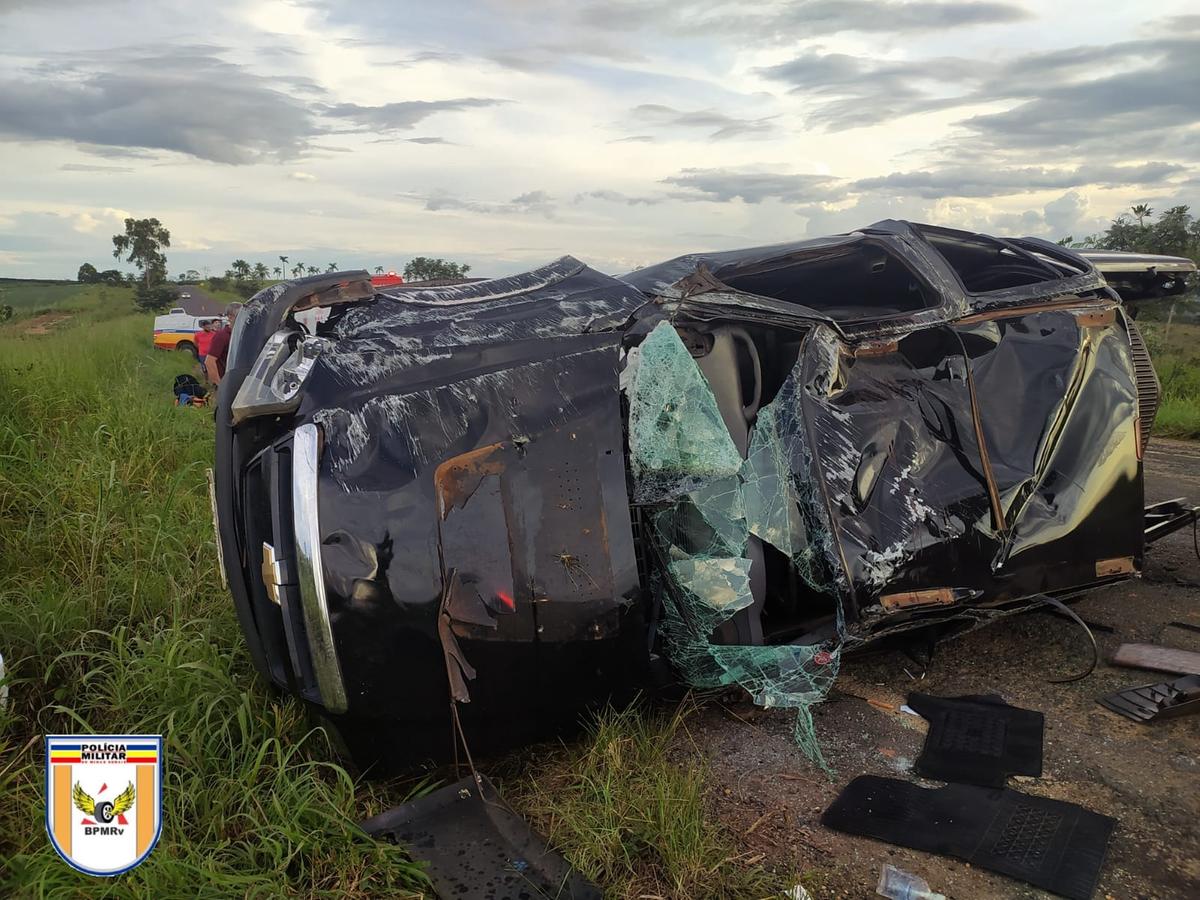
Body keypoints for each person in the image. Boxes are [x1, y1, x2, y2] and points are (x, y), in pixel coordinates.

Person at [205, 302, 242, 388]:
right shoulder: (222, 336)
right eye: (240, 316)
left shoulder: (241, 335)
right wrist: (221, 385)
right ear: (230, 317)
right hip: (226, 385)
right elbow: (209, 362)